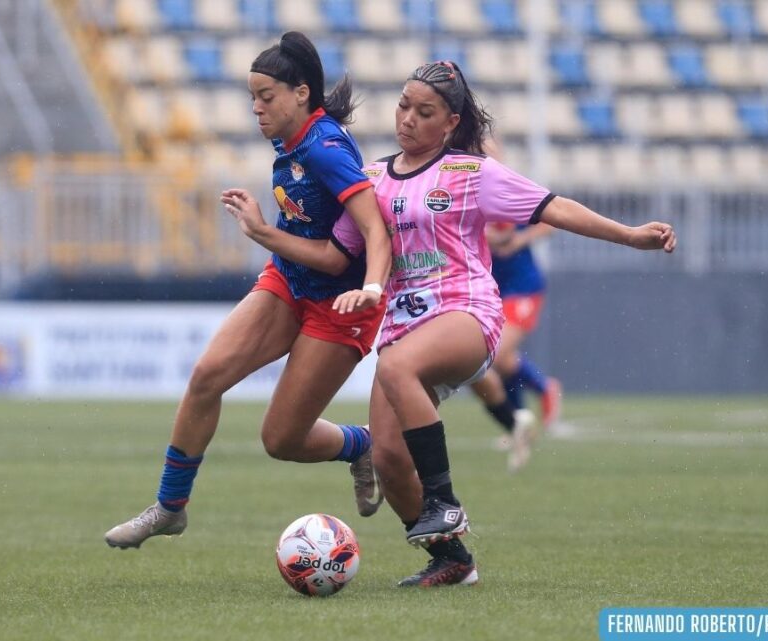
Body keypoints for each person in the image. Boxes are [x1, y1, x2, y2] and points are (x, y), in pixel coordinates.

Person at [257, 60, 676, 587]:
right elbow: (335, 253)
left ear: (451, 123)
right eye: (403, 106)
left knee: (396, 366)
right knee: (387, 456)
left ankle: (443, 501)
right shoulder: (373, 179)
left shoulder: (471, 173)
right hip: (403, 327)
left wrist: (630, 235)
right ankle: (452, 559)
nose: (408, 118)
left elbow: (552, 207)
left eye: (424, 111)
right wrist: (267, 236)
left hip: (466, 313)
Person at [104, 31, 392, 549]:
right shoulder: (291, 140)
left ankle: (361, 445)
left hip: (340, 304)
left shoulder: (325, 149)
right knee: (206, 377)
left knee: (281, 439)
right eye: (252, 97)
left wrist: (369, 283)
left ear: (301, 93)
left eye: (266, 96)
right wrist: (272, 239)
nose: (256, 108)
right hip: (289, 280)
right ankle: (169, 508)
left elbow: (368, 232)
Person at [470, 219, 565, 473]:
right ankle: (520, 420)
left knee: (497, 354)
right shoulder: (471, 203)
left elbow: (550, 225)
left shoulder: (509, 202)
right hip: (492, 288)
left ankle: (540, 391)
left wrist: (517, 241)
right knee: (498, 359)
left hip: (523, 287)